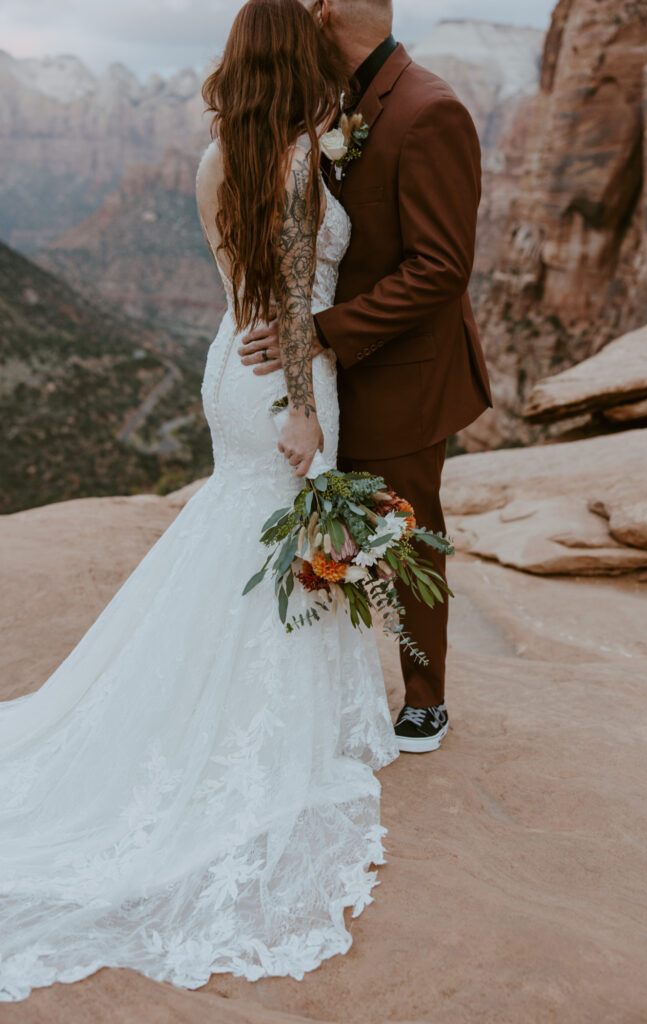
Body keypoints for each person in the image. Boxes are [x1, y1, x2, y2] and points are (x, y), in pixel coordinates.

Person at [0, 0, 401, 1003]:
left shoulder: (216, 155)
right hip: (285, 382)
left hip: (233, 366)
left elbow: (240, 294)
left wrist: (272, 366)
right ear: (297, 61)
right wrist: (303, 406)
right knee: (276, 527)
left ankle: (205, 700)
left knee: (238, 528)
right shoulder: (304, 156)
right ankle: (249, 730)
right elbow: (287, 286)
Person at [239, 0, 494, 754]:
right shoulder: (339, 103)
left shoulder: (429, 111)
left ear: (324, 13)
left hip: (403, 375)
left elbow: (440, 269)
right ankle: (324, 685)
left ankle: (425, 698)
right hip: (333, 372)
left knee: (409, 535)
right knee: (327, 533)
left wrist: (318, 331)